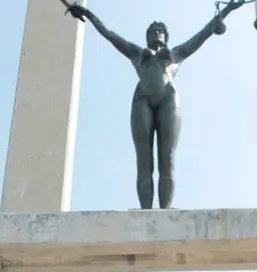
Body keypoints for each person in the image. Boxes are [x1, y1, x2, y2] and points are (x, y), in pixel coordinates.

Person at [64, 1, 247, 209]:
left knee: (167, 158)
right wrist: (88, 13)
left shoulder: (176, 54)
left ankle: (165, 210)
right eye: (152, 31)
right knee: (143, 160)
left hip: (168, 98)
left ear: (166, 37)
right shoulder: (137, 53)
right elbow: (110, 34)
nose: (155, 33)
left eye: (159, 30)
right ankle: (145, 211)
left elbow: (204, 34)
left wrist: (226, 11)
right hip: (142, 99)